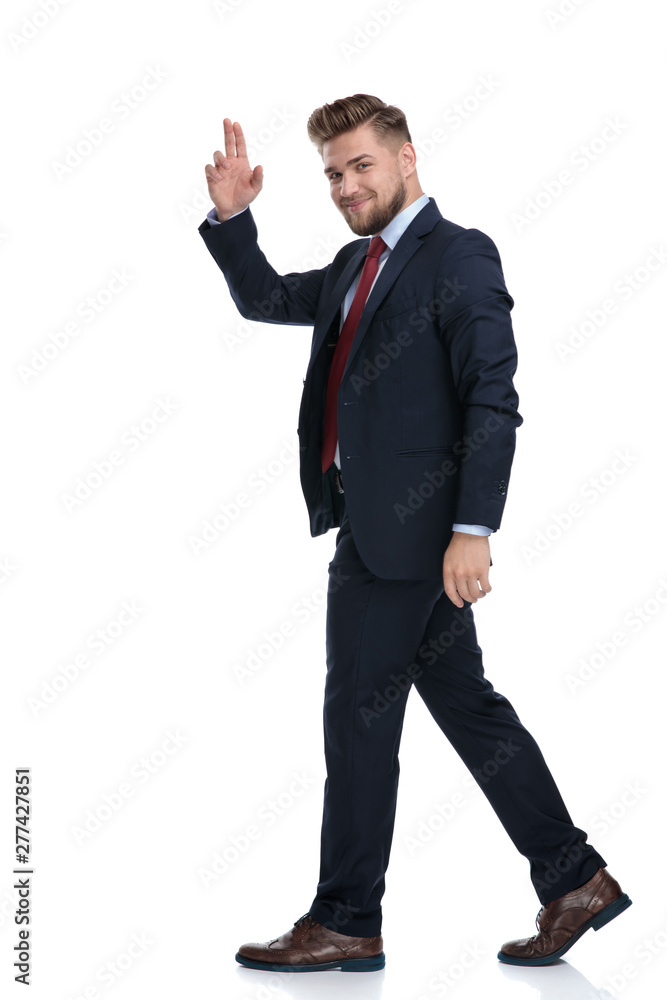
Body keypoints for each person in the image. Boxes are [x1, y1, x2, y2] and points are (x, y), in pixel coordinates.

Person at [198, 94, 631, 972]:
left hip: (411, 542)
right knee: (471, 712)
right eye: (331, 173)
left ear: (406, 159)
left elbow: (491, 398)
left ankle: (347, 915)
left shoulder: (457, 256)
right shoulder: (354, 267)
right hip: (378, 533)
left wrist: (472, 527)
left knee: (358, 718)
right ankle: (574, 878)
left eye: (361, 165)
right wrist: (234, 220)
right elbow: (265, 299)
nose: (346, 185)